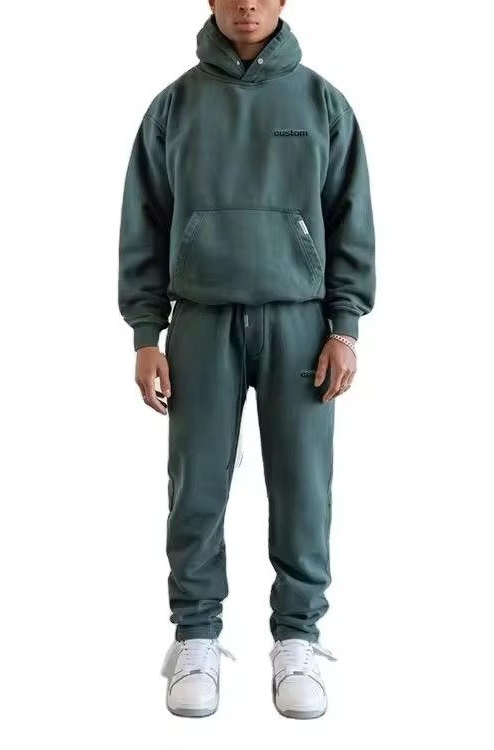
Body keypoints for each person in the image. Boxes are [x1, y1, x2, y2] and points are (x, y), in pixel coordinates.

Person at [117, 0, 375, 719]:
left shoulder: (323, 103)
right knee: (196, 486)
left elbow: (350, 216)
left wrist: (345, 328)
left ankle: (297, 640)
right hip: (200, 321)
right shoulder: (174, 106)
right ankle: (196, 636)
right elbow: (144, 220)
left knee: (303, 487)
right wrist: (146, 333)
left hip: (300, 322)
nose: (248, 4)